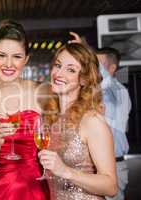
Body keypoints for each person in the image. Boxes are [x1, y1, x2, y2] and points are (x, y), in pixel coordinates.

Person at [0, 20, 50, 200]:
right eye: (2, 55)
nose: (9, 64)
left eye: (17, 56)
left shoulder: (42, 92)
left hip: (34, 190)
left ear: (26, 59)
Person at [38, 43, 117, 200]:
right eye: (58, 65)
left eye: (71, 70)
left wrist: (66, 171)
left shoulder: (91, 121)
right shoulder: (51, 119)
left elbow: (111, 186)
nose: (59, 73)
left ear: (83, 80)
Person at [96, 47, 131, 200]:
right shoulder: (99, 92)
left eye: (99, 64)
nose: (94, 67)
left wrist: (85, 50)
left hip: (114, 166)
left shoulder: (119, 91)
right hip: (97, 166)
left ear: (112, 68)